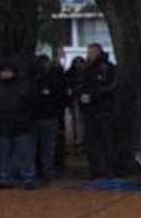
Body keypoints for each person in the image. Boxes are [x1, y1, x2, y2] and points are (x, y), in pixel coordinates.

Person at [0, 58, 37, 189]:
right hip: (2, 126)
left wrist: (26, 118)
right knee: (4, 156)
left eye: (8, 71)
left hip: (22, 126)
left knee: (25, 155)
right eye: (3, 72)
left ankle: (28, 179)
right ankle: (5, 179)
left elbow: (32, 105)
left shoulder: (24, 86)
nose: (6, 74)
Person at [76, 43, 119, 177]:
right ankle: (94, 169)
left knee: (107, 141)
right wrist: (80, 96)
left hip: (104, 110)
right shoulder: (86, 69)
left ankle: (109, 169)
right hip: (89, 111)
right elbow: (80, 86)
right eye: (89, 52)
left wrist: (93, 96)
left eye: (93, 52)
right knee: (91, 142)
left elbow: (111, 87)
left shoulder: (108, 68)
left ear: (99, 52)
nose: (90, 55)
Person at [30, 55, 68, 184]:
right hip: (35, 118)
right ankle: (36, 171)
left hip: (50, 117)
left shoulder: (54, 80)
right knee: (36, 147)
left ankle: (47, 172)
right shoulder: (31, 81)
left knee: (48, 148)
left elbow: (61, 98)